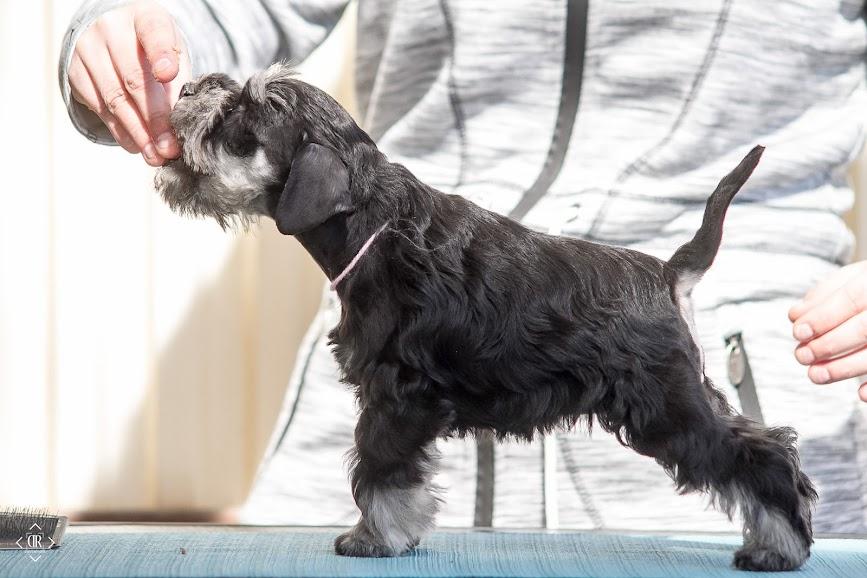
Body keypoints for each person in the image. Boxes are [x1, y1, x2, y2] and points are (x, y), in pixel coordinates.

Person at [59, 0, 867, 532]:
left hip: (748, 341)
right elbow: (210, 15)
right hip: (380, 332)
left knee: (699, 444)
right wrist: (128, 45)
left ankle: (771, 493)